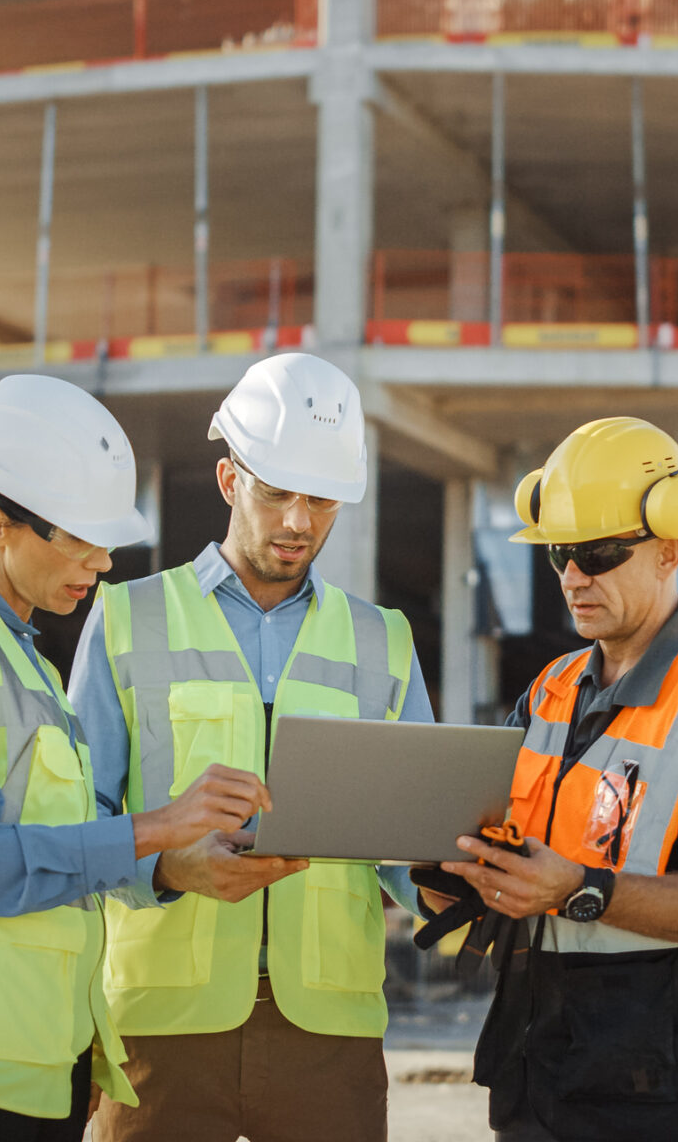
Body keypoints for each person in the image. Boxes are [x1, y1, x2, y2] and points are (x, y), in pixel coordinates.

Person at [0, 374, 270, 1142]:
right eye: (75, 537)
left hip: (36, 1067)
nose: (101, 561)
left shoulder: (33, 666)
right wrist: (156, 828)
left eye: (103, 540)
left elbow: (61, 874)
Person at [74, 353, 435, 1142]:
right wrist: (168, 868)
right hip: (160, 1026)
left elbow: (410, 848)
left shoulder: (386, 641)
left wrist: (450, 887)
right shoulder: (128, 619)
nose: (300, 522)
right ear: (230, 479)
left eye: (322, 500)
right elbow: (77, 824)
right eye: (277, 493)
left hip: (328, 1030)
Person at [433, 416, 678, 1142]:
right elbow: (500, 842)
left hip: (659, 1095)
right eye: (561, 555)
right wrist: (447, 869)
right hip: (536, 1075)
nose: (574, 577)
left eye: (598, 554)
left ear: (671, 549)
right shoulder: (549, 690)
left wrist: (581, 890)